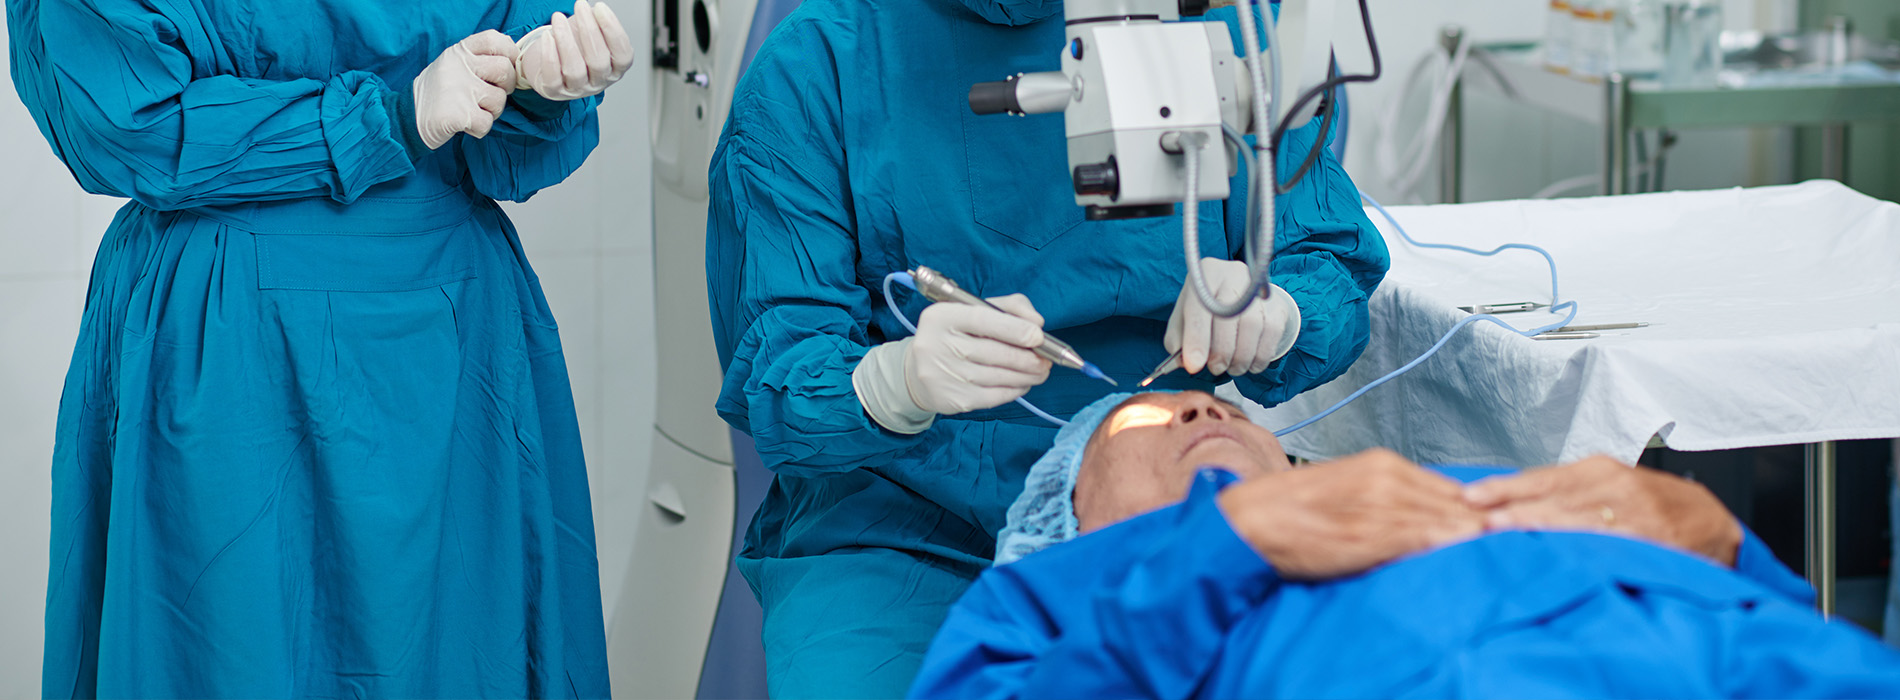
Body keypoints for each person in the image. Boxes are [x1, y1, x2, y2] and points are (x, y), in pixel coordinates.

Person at [705, 0, 1388, 695]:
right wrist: (894, 384)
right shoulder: (820, 61)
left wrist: (1286, 311)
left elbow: (1326, 252)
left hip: (1164, 497)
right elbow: (779, 373)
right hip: (896, 526)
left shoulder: (1234, 28)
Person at [9, 0, 632, 695]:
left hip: (447, 342)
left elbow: (509, 139)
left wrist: (540, 86)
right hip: (231, 341)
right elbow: (124, 123)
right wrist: (385, 120)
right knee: (226, 651)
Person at [911, 391, 1900, 699]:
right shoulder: (1049, 599)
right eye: (1141, 420)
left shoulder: (1454, 484)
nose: (1200, 404)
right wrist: (1220, 549)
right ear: (1064, 511)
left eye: (1221, 407)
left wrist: (1719, 537)